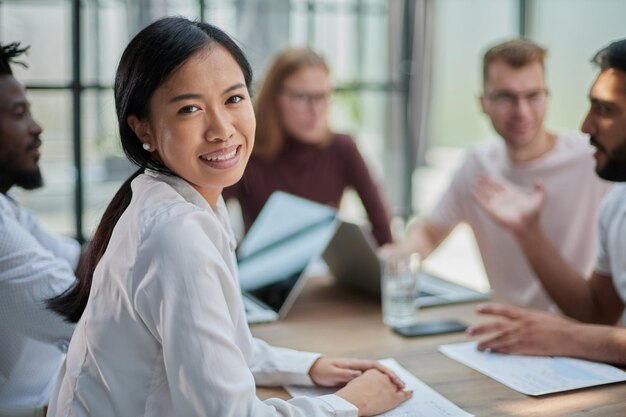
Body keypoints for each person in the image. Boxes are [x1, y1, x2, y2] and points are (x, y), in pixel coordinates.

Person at [46, 17, 411, 417]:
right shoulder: (175, 232)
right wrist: (352, 404)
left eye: (234, 99)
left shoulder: (182, 199)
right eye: (190, 108)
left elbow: (218, 345)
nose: (222, 129)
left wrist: (308, 366)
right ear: (142, 129)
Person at [390, 38, 610, 311]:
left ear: (547, 96)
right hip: (507, 327)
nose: (522, 112)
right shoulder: (479, 163)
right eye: (507, 97)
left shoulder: (595, 160)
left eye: (533, 96)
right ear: (483, 103)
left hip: (578, 328)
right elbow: (431, 231)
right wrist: (398, 258)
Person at [467, 38, 626, 364]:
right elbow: (597, 312)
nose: (586, 125)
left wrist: (567, 336)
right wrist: (527, 230)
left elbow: (586, 329)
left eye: (605, 110)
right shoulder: (617, 204)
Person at [223, 48, 393, 246]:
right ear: (273, 97)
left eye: (323, 96)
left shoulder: (342, 148)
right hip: (265, 274)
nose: (316, 110)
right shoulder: (248, 151)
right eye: (303, 97)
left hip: (327, 275)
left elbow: (385, 236)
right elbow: (210, 220)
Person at [0, 42, 79, 414]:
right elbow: (82, 315)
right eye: (19, 113)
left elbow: (81, 261)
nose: (37, 126)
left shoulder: (8, 208)